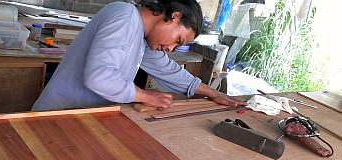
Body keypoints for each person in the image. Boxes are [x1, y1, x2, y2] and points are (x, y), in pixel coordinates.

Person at [32, 0, 244, 112]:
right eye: (178, 40)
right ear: (174, 16)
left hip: (81, 116)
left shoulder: (142, 37)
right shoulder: (123, 15)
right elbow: (99, 76)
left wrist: (212, 93)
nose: (171, 48)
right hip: (55, 115)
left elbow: (168, 70)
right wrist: (146, 96)